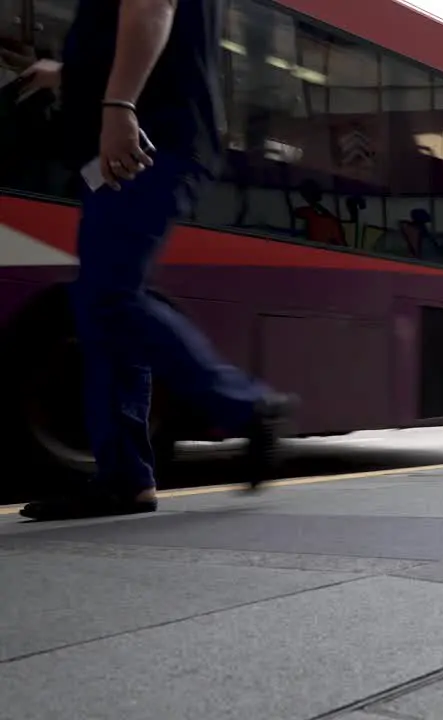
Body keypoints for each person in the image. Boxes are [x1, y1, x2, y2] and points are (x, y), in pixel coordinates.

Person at [17, 0, 293, 521]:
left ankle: (246, 404)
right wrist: (74, 75)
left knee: (109, 297)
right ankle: (123, 478)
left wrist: (119, 105)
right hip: (144, 133)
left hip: (149, 134)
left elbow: (152, 5)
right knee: (102, 308)